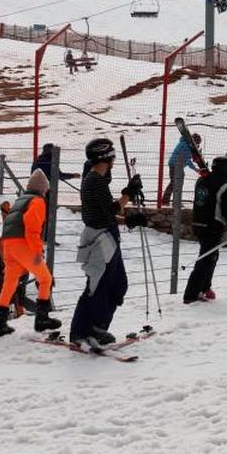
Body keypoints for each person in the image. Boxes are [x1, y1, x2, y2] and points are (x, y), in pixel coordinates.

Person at [69, 138, 145, 349]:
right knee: (98, 286)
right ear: (105, 157)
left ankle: (97, 328)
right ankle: (84, 330)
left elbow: (104, 214)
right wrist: (128, 193)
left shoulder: (97, 180)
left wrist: (128, 220)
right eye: (112, 156)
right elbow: (110, 210)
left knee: (117, 285)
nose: (114, 160)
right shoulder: (93, 180)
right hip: (99, 240)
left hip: (107, 236)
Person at [0, 169, 58, 337]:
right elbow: (31, 227)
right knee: (45, 279)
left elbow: (10, 224)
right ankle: (41, 319)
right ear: (42, 188)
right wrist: (37, 251)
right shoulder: (37, 202)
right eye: (46, 189)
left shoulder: (19, 201)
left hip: (8, 245)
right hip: (23, 245)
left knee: (10, 282)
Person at [184, 155, 227, 304]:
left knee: (211, 257)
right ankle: (191, 294)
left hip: (197, 224)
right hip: (213, 226)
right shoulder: (226, 186)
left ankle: (205, 288)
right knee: (205, 260)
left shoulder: (202, 180)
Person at [161, 132, 201, 206]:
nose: (197, 145)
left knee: (174, 184)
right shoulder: (186, 146)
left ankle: (166, 201)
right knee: (175, 184)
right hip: (175, 165)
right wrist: (195, 154)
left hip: (177, 166)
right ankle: (168, 201)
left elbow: (188, 160)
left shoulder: (186, 145)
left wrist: (195, 169)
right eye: (197, 143)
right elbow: (188, 159)